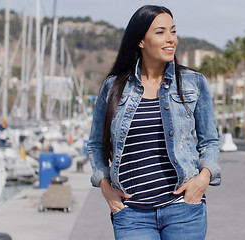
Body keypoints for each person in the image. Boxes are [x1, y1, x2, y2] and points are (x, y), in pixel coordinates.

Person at [87, 5, 220, 240]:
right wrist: (106, 189)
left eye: (173, 31)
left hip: (184, 209)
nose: (170, 39)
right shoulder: (113, 87)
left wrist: (203, 179)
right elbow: (96, 144)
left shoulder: (193, 83)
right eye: (160, 32)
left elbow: (209, 140)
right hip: (132, 215)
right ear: (141, 41)